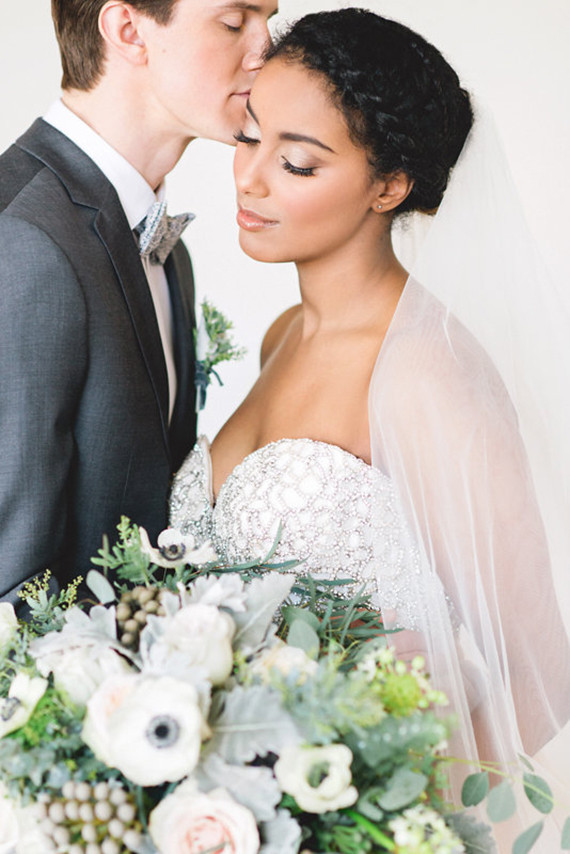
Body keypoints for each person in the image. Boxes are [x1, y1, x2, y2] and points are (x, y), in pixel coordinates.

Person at [169, 9, 570, 848]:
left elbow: (544, 676)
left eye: (298, 162)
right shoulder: (283, 335)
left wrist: (386, 821)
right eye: (248, 140)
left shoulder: (425, 370)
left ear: (388, 186)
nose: (251, 181)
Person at [0, 0, 277, 608]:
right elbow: (7, 582)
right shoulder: (22, 238)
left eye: (269, 20)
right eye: (235, 21)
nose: (266, 47)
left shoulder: (166, 245)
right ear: (128, 30)